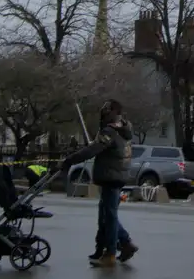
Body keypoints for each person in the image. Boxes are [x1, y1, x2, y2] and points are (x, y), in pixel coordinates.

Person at [62, 100, 139, 268]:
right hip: (117, 176)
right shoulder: (123, 128)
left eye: (105, 111)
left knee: (109, 216)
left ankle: (110, 252)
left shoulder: (110, 131)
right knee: (106, 214)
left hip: (111, 177)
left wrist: (70, 160)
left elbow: (93, 150)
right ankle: (120, 244)